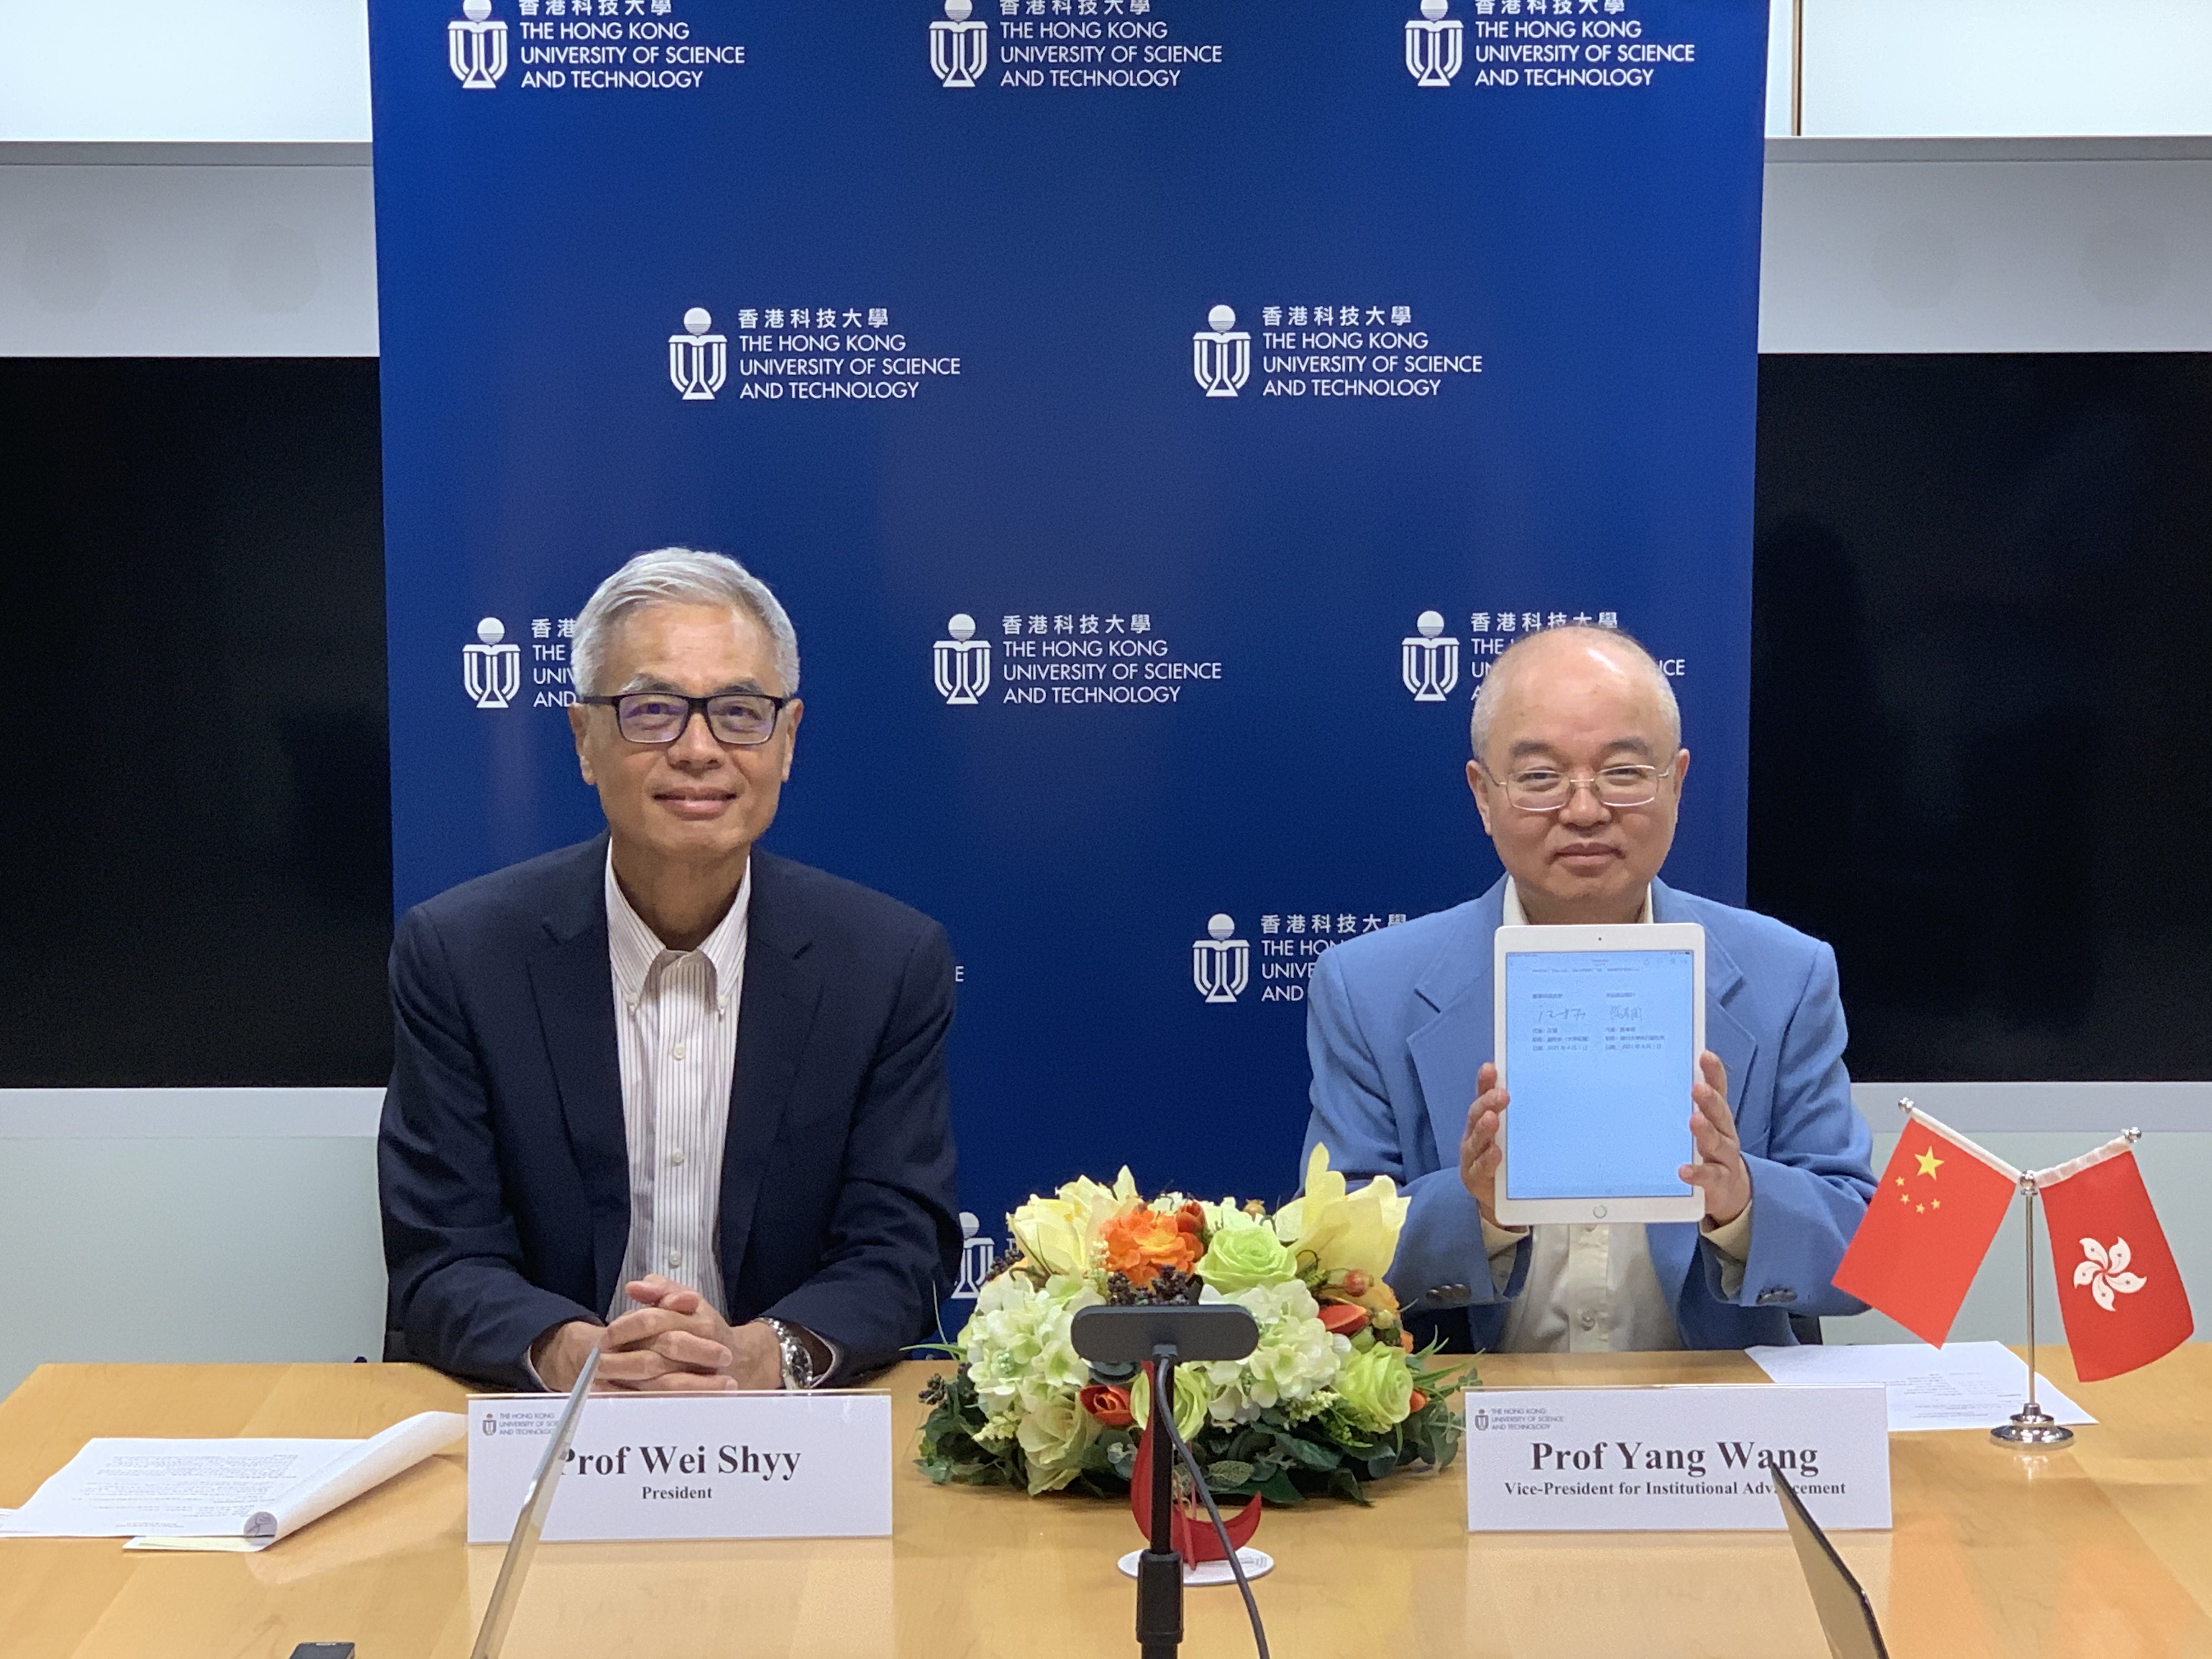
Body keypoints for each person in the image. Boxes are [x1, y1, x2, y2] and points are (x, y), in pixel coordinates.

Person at [380, 548, 961, 1390]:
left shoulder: (885, 963)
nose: (697, 749)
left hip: (782, 1438)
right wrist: (579, 1356)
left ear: (787, 738)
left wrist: (763, 1355)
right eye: (652, 711)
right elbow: (440, 1256)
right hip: (544, 1435)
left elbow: (899, 1250)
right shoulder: (463, 955)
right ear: (585, 739)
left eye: (738, 711)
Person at [1301, 625, 1874, 1351]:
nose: (1584, 810)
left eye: (1624, 773)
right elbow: (1325, 1263)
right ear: (1483, 794)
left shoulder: (1785, 977)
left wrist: (1744, 1202)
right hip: (1469, 1431)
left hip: (1712, 1441)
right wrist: (1478, 1210)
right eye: (1541, 778)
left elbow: (1871, 1257)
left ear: (1677, 781)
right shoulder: (1369, 990)